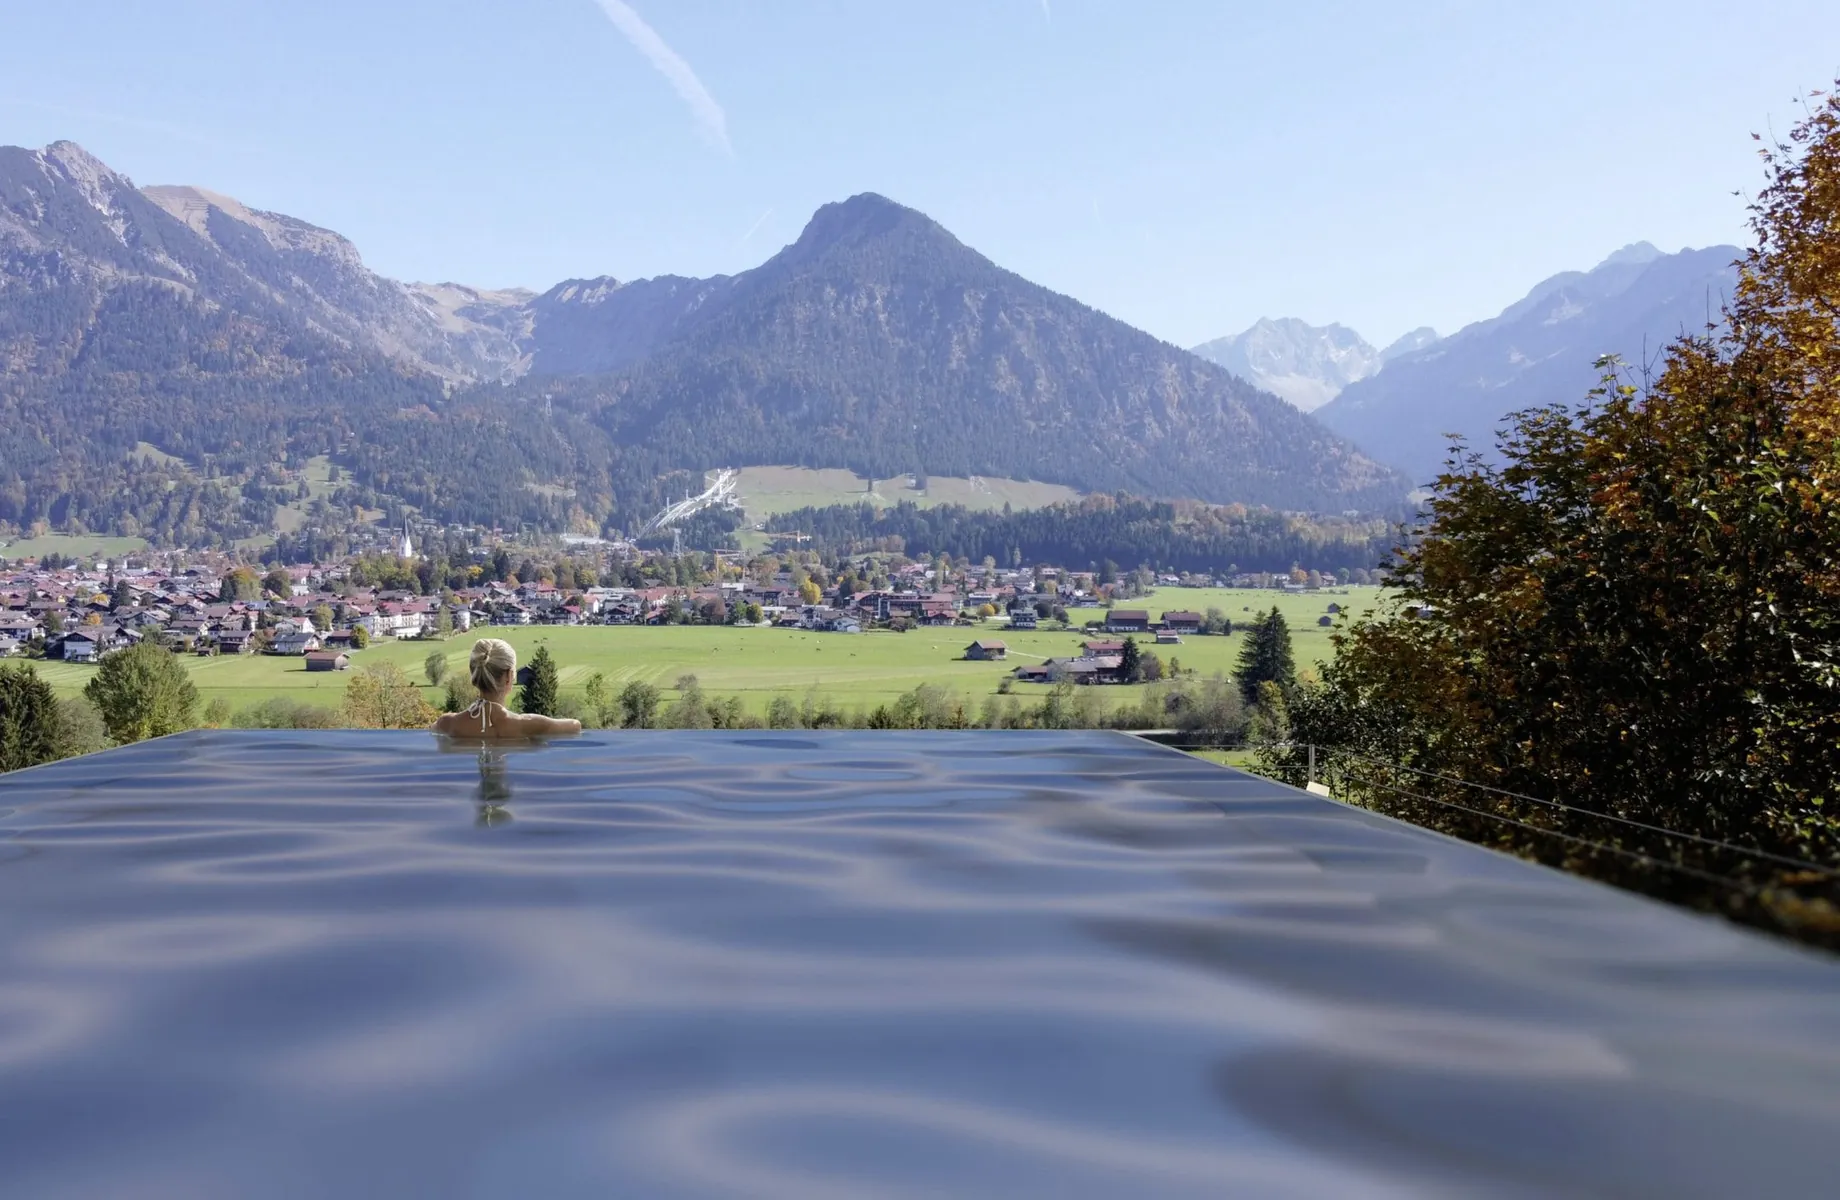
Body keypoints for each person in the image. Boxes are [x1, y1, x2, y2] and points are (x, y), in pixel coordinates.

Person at [431, 637, 582, 739]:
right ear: (509, 676)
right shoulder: (529, 725)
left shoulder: (447, 724)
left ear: (474, 674)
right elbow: (575, 726)